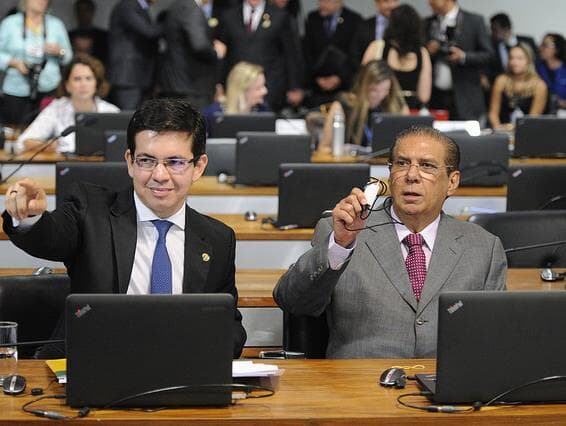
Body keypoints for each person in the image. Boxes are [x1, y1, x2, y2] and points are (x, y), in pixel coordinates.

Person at [2, 97, 247, 359]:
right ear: (130, 161)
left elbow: (230, 327)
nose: (160, 175)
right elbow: (50, 236)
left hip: (178, 372)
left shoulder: (218, 239)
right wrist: (30, 216)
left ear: (198, 167)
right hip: (92, 367)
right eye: (147, 161)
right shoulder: (90, 211)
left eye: (175, 162)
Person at [274, 127, 507, 358]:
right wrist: (339, 246)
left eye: (426, 166)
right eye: (402, 163)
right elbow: (293, 302)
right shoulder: (346, 230)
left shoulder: (483, 247)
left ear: (452, 182)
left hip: (448, 385)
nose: (411, 175)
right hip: (358, 386)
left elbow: (495, 338)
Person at [15, 53, 119, 154]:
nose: (83, 84)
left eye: (88, 78)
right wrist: (47, 146)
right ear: (67, 85)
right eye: (77, 79)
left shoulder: (111, 112)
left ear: (96, 83)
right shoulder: (56, 109)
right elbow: (22, 142)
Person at [218, 0, 304, 112]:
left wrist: (295, 87)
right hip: (237, 86)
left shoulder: (280, 15)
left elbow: (291, 54)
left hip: (270, 86)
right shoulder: (228, 15)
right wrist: (219, 84)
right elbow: (222, 53)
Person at [0, 0, 72, 127]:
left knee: (48, 129)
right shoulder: (10, 23)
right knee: (15, 130)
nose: (42, 1)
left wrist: (59, 51)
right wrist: (14, 63)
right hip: (17, 87)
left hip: (49, 86)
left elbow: (68, 56)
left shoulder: (56, 24)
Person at [318, 60, 408, 152]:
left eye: (385, 90)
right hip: (354, 164)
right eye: (374, 90)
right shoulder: (343, 106)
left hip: (386, 164)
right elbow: (323, 148)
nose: (380, 95)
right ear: (363, 86)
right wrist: (342, 151)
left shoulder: (398, 108)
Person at [425, 0, 493, 121]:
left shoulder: (474, 21)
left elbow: (488, 55)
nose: (429, 2)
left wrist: (463, 56)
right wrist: (429, 51)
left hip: (466, 96)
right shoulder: (428, 23)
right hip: (435, 97)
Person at [159, 0, 227, 112]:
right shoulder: (190, 7)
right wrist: (217, 52)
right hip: (192, 85)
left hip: (182, 84)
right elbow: (199, 45)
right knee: (193, 126)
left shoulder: (181, 5)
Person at [362, 4, 432, 110]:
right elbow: (424, 96)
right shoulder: (422, 53)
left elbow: (363, 83)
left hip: (380, 108)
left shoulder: (377, 47)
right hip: (410, 112)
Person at [302, 0, 362, 108]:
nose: (321, 5)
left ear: (338, 3)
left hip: (344, 87)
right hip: (317, 88)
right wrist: (316, 78)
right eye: (320, 1)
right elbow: (307, 52)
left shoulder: (354, 20)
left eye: (326, 1)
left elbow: (354, 55)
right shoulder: (313, 18)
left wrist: (339, 78)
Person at [107, 0, 162, 110]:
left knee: (138, 118)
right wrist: (171, 22)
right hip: (127, 76)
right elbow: (148, 31)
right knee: (129, 118)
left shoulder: (141, 6)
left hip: (137, 76)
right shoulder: (127, 5)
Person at [488, 44, 547, 130]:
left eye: (520, 58)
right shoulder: (501, 80)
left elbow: (533, 118)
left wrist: (513, 128)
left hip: (527, 132)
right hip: (501, 131)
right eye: (511, 58)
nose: (514, 62)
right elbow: (493, 113)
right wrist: (498, 129)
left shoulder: (539, 85)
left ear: (529, 60)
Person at [203, 61, 269, 132]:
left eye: (264, 86)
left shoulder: (263, 111)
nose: (265, 91)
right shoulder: (212, 114)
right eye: (258, 88)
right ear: (241, 90)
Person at [485, 13, 537, 86]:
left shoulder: (528, 41)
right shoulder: (491, 46)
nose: (492, 32)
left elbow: (536, 63)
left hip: (528, 83)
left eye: (494, 29)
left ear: (506, 28)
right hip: (502, 85)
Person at [349, 0, 399, 67]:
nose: (391, 5)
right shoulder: (363, 26)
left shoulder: (405, 25)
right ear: (377, 3)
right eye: (386, 1)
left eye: (394, 1)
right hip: (370, 72)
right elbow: (354, 55)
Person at [68, 0, 109, 65]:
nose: (82, 13)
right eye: (79, 10)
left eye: (86, 10)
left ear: (92, 12)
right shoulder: (68, 36)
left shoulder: (103, 37)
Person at [536, 33, 566, 113]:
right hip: (542, 113)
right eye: (541, 44)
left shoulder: (564, 68)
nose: (540, 48)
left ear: (557, 48)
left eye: (545, 45)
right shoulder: (536, 68)